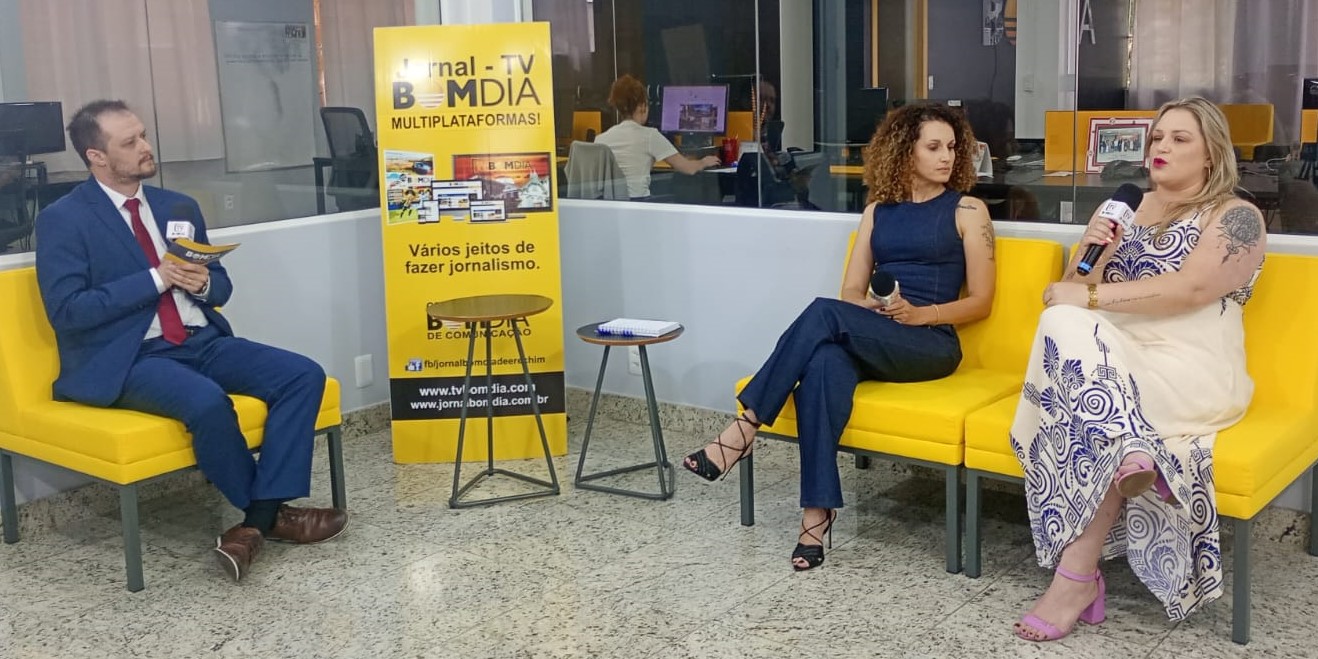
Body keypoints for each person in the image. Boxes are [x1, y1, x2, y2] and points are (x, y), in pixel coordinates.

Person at [34, 100, 348, 583]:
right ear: (96, 156)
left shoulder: (176, 206)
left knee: (303, 375)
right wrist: (156, 279)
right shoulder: (65, 218)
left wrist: (202, 284)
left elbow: (220, 287)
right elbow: (68, 311)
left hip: (202, 340)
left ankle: (258, 521)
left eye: (143, 134)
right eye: (130, 142)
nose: (146, 147)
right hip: (131, 357)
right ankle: (273, 517)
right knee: (206, 402)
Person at [682, 103, 996, 570]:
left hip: (930, 343)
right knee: (823, 364)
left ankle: (744, 428)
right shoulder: (876, 211)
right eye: (933, 147)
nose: (946, 157)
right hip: (879, 332)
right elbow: (851, 290)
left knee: (821, 312)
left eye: (951, 147)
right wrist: (870, 307)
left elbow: (982, 301)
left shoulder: (968, 210)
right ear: (904, 151)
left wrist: (921, 314)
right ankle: (816, 516)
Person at [1010, 97, 1266, 641]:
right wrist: (1094, 251)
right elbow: (1068, 294)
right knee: (1061, 324)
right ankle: (1129, 454)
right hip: (1115, 364)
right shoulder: (1121, 210)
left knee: (1089, 394)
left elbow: (1191, 289)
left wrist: (1090, 297)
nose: (1161, 148)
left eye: (1179, 138)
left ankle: (1075, 581)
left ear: (1211, 152)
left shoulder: (1235, 215)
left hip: (1192, 366)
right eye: (1157, 138)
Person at [593, 74, 721, 200]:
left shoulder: (601, 139)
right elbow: (688, 168)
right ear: (642, 106)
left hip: (608, 205)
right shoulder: (649, 135)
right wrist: (704, 162)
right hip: (638, 204)